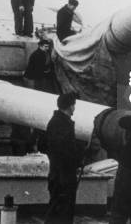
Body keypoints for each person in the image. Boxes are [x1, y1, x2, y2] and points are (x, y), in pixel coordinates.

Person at [44, 92, 83, 224]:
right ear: (70, 106)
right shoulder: (62, 124)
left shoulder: (56, 122)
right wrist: (79, 157)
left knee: (58, 210)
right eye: (74, 105)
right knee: (61, 212)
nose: (74, 108)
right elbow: (65, 151)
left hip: (59, 175)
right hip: (63, 177)